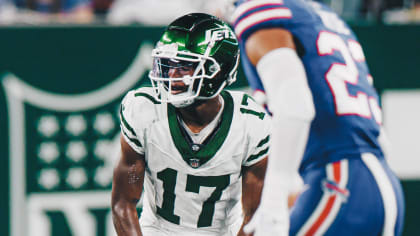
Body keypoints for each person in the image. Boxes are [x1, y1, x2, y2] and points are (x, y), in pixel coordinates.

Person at [222, 0, 405, 235]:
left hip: (338, 179)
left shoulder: (261, 12)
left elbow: (295, 107)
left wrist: (273, 205)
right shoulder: (324, 17)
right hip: (377, 179)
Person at [111, 13, 271, 236]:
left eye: (185, 67)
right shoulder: (144, 111)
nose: (172, 76)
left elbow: (255, 216)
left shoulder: (251, 123)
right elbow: (123, 203)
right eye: (167, 65)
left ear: (217, 71)